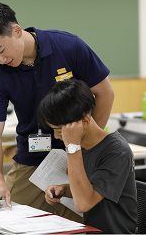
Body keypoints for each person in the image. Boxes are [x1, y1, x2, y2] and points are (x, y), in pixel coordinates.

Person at [0, 2, 114, 222]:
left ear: (17, 31)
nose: (0, 60)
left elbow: (105, 93)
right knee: (8, 220)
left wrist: (85, 146)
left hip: (77, 154)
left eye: (1, 50)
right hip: (31, 159)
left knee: (80, 222)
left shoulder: (68, 46)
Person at [38, 79, 137, 234]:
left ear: (84, 121)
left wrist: (72, 147)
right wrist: (63, 190)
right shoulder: (82, 147)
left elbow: (83, 203)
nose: (56, 136)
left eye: (60, 129)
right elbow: (92, 189)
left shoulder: (116, 151)